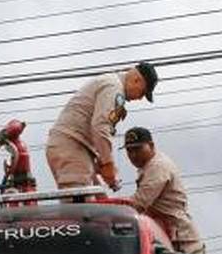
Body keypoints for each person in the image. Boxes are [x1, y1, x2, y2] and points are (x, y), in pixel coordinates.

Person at [46, 62, 158, 191]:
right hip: (72, 146)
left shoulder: (112, 84)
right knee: (81, 205)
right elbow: (100, 127)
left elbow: (97, 129)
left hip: (75, 146)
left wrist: (102, 161)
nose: (140, 98)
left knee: (99, 200)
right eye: (143, 92)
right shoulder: (114, 88)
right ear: (136, 80)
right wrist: (108, 163)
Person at [120, 127, 206, 254]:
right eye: (129, 150)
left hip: (183, 243)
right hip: (167, 239)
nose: (133, 155)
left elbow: (138, 204)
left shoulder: (158, 166)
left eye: (138, 149)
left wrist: (103, 210)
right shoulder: (149, 166)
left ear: (151, 145)